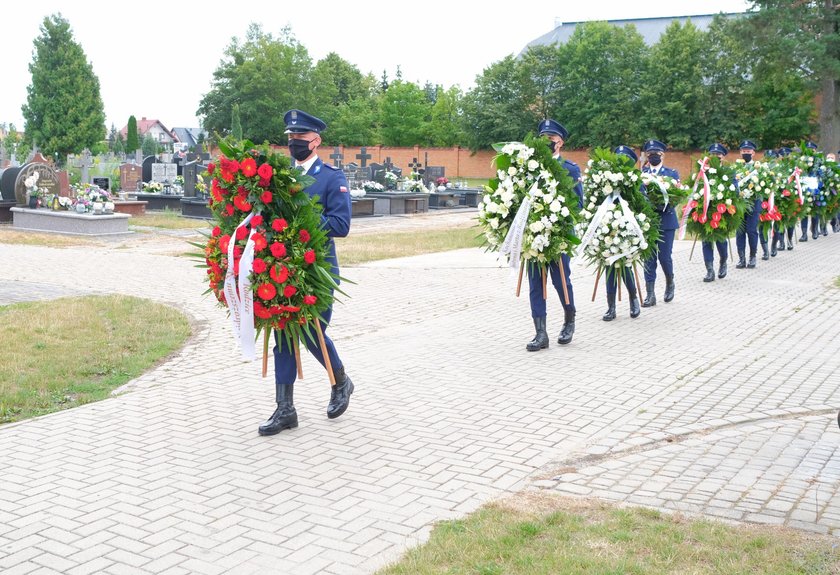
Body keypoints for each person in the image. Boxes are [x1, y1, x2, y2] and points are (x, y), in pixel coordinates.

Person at [259, 109, 354, 436]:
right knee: (284, 338)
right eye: (291, 138)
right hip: (284, 270)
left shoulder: (331, 178)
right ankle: (285, 409)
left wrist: (301, 221)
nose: (294, 143)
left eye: (300, 138)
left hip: (318, 273)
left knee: (311, 332)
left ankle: (340, 380)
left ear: (316, 141)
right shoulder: (283, 176)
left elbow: (341, 225)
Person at [526, 119, 583, 351]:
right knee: (535, 284)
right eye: (543, 138)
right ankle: (541, 334)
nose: (546, 143)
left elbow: (578, 204)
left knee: (561, 281)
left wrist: (560, 219)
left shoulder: (570, 168)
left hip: (559, 236)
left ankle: (569, 319)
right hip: (534, 236)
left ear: (560, 142)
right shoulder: (529, 166)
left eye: (550, 139)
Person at [602, 145, 642, 321]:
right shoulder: (606, 181)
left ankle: (633, 299)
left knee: (625, 266)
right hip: (608, 230)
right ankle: (611, 307)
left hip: (627, 232)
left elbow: (643, 204)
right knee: (609, 267)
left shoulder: (634, 182)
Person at [640, 139, 679, 307]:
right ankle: (650, 294)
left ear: (663, 155)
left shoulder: (672, 174)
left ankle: (670, 283)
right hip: (648, 221)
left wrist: (663, 202)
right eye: (650, 154)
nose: (653, 156)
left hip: (666, 220)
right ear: (647, 156)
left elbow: (677, 197)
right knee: (648, 257)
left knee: (664, 257)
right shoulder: (642, 174)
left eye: (657, 153)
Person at [702, 143, 730, 282]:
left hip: (722, 211)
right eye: (712, 154)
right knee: (706, 240)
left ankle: (723, 261)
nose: (715, 157)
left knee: (720, 240)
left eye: (718, 155)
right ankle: (709, 270)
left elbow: (734, 190)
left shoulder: (728, 171)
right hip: (705, 210)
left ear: (723, 156)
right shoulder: (703, 170)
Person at [734, 140, 762, 268]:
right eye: (744, 151)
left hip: (753, 204)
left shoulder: (759, 169)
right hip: (740, 205)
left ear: (753, 153)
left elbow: (763, 185)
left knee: (751, 231)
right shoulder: (735, 168)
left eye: (748, 151)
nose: (746, 153)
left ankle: (752, 256)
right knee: (740, 232)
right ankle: (741, 258)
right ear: (740, 153)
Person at [799, 141, 822, 242]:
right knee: (804, 212)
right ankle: (804, 234)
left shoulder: (819, 161)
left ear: (814, 150)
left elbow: (821, 175)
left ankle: (815, 229)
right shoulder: (801, 161)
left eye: (811, 149)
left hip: (815, 190)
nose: (809, 151)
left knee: (814, 210)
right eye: (807, 149)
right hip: (804, 190)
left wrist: (819, 186)